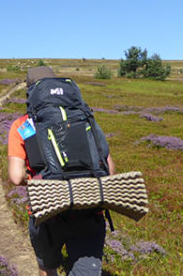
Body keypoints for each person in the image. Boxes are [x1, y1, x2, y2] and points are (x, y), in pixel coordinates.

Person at [8, 66, 116, 276]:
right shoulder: (85, 117)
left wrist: (39, 179)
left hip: (47, 210)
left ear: (30, 91)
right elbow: (108, 168)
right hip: (90, 208)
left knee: (48, 268)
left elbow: (15, 176)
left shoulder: (23, 125)